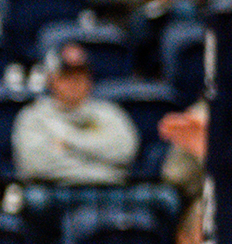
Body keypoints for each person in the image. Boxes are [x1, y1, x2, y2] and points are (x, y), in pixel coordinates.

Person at [13, 43, 140, 187]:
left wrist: (68, 143)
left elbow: (125, 152)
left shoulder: (109, 113)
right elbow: (35, 166)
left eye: (81, 74)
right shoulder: (33, 116)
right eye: (66, 75)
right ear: (50, 79)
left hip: (108, 190)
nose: (74, 81)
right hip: (55, 191)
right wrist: (98, 166)